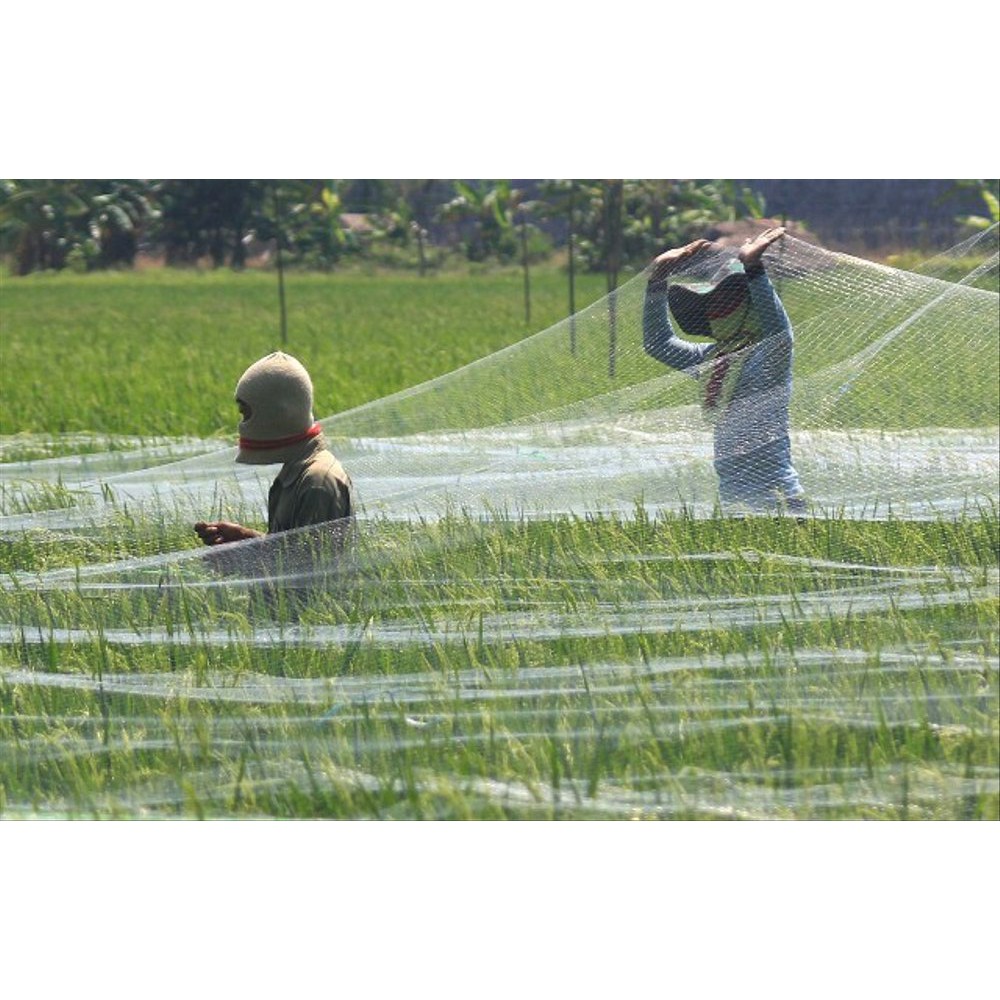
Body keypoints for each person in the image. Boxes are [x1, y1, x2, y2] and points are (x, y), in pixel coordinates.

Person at [642, 226, 806, 515]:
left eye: (726, 302)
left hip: (781, 500)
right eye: (712, 304)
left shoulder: (767, 358)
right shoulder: (714, 359)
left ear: (749, 306)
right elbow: (658, 343)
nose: (716, 311)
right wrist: (657, 281)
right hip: (734, 502)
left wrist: (754, 269)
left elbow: (780, 334)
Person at [194, 351, 355, 547]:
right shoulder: (296, 471)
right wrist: (244, 539)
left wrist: (241, 559)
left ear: (276, 414)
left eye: (245, 413)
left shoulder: (316, 483)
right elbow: (290, 552)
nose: (241, 425)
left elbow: (312, 571)